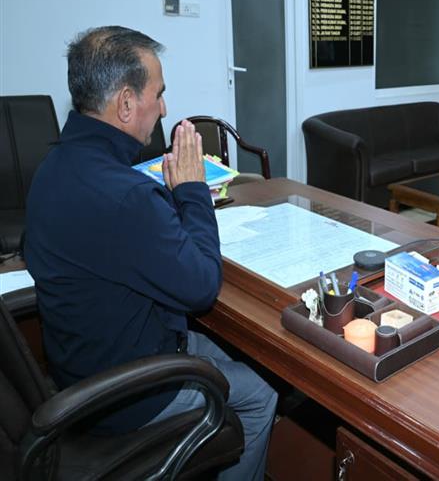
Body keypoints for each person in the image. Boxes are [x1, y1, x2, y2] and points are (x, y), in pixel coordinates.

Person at [24, 26, 276, 480]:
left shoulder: (52, 168)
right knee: (261, 396)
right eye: (157, 94)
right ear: (125, 103)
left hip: (78, 363)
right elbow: (202, 287)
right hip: (127, 393)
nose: (163, 108)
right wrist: (193, 190)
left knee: (240, 354)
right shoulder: (127, 196)